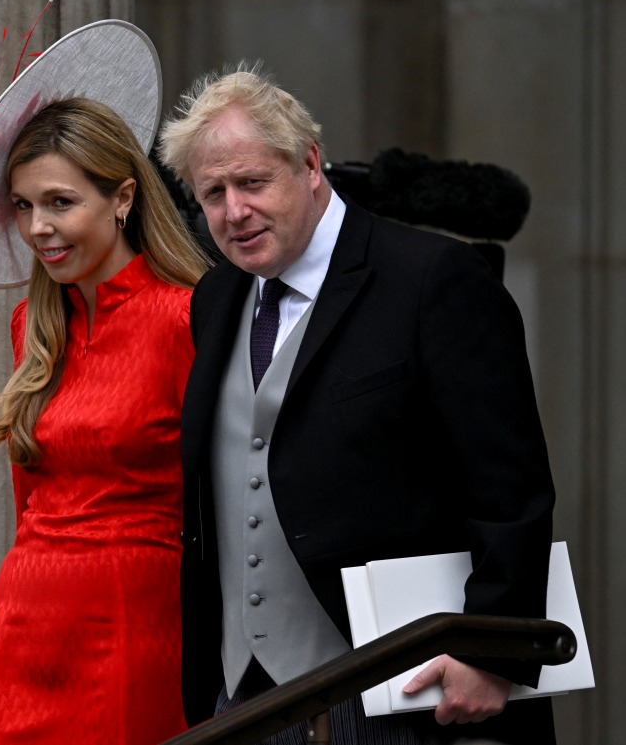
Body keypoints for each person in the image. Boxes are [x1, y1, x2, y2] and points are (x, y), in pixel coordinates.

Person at [158, 67, 557, 745]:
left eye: (252, 182)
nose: (234, 211)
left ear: (310, 164)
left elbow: (510, 490)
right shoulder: (216, 298)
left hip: (405, 694)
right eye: (213, 194)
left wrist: (490, 650)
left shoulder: (434, 279)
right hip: (242, 700)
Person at [0, 21, 211, 744]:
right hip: (22, 619)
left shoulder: (185, 317)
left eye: (59, 202)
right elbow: (32, 503)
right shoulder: (33, 323)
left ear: (121, 197)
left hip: (132, 620)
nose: (37, 228)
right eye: (23, 206)